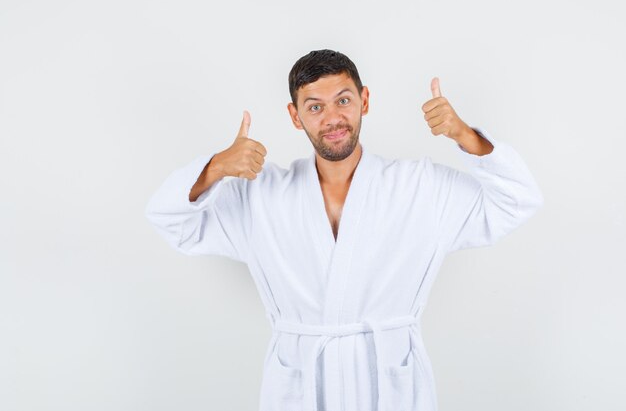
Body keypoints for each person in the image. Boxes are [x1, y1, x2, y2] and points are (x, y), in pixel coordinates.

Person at [144, 49, 543, 411]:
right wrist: (216, 167)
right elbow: (170, 219)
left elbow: (519, 200)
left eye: (344, 100)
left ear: (364, 101)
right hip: (299, 389)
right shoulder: (259, 197)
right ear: (295, 115)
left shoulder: (419, 187)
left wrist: (465, 136)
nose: (333, 118)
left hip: (390, 386)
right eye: (315, 107)